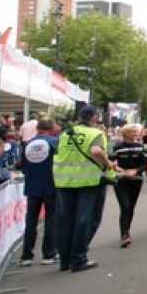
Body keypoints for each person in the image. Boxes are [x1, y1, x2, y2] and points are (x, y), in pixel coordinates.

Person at [52, 104, 117, 272]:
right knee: (85, 220)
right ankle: (79, 258)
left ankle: (65, 260)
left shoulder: (65, 134)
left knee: (65, 221)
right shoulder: (95, 133)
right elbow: (96, 151)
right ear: (94, 117)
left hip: (63, 181)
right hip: (87, 181)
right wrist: (108, 164)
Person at [18, 118, 58, 266]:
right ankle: (49, 254)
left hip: (32, 186)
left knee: (31, 221)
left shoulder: (27, 144)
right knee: (51, 220)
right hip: (51, 185)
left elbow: (23, 166)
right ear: (51, 128)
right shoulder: (54, 142)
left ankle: (26, 255)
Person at [111, 124, 147, 247]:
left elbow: (145, 164)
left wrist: (136, 171)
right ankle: (124, 235)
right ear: (126, 134)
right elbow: (111, 163)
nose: (136, 133)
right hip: (120, 180)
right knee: (125, 206)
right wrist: (120, 170)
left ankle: (126, 229)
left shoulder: (141, 147)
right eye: (133, 131)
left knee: (131, 207)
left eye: (136, 131)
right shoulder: (117, 148)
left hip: (135, 180)